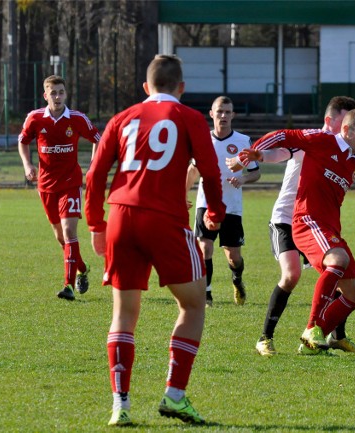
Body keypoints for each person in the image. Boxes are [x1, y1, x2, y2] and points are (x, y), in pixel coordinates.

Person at [84, 54, 226, 427]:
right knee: (194, 305)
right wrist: (215, 214)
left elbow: (96, 174)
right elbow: (211, 173)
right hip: (165, 219)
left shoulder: (122, 118)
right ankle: (175, 395)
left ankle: (120, 405)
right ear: (181, 87)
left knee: (123, 314)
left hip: (120, 218)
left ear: (145, 88)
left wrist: (96, 225)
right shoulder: (191, 117)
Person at [229, 97, 355, 357]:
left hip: (328, 228)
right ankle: (298, 331)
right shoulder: (320, 140)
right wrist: (251, 155)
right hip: (303, 220)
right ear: (344, 128)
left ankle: (315, 344)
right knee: (308, 270)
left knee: (354, 293)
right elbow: (283, 138)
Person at [18, 75, 100, 301]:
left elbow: (98, 140)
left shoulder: (77, 118)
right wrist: (27, 165)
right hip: (45, 185)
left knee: (69, 231)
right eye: (53, 93)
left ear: (66, 94)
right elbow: (23, 141)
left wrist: (92, 166)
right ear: (46, 95)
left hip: (70, 184)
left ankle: (69, 286)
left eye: (61, 92)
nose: (57, 96)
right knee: (60, 237)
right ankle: (82, 268)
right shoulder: (35, 118)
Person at [186, 96, 260, 307]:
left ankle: (237, 280)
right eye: (220, 111)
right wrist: (184, 194)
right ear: (211, 114)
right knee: (204, 248)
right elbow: (193, 170)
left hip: (232, 207)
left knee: (233, 256)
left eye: (228, 112)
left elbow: (256, 173)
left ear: (233, 115)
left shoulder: (243, 141)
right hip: (206, 202)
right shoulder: (202, 140)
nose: (224, 116)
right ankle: (206, 295)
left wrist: (243, 178)